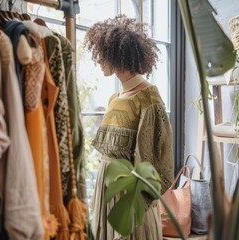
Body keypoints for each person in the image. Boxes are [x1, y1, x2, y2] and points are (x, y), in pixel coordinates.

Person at [84, 15, 174, 240]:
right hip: (107, 189)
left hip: (129, 195)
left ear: (116, 56)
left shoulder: (148, 97)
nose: (99, 61)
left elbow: (154, 158)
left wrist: (134, 205)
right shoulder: (115, 97)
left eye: (102, 55)